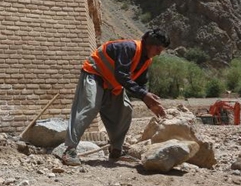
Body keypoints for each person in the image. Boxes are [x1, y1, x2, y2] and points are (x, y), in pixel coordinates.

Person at [62, 29, 170, 166]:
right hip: (95, 74)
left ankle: (116, 149)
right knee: (89, 106)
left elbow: (141, 83)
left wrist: (150, 103)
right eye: (158, 49)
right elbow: (121, 75)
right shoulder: (128, 48)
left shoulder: (146, 60)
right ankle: (70, 150)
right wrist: (144, 95)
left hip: (112, 84)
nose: (159, 53)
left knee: (125, 109)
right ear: (149, 44)